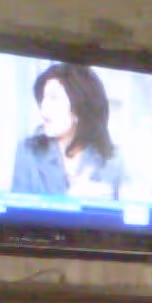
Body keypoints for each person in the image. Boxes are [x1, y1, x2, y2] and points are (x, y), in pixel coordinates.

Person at [11, 63, 126, 200]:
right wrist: (70, 201)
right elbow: (17, 217)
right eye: (43, 99)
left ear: (80, 107)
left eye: (53, 98)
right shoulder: (29, 152)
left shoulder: (111, 159)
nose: (43, 109)